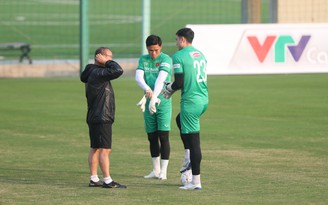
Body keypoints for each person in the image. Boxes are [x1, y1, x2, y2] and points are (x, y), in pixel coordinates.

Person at [161, 28, 208, 190]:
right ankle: (188, 153)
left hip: (190, 102)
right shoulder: (200, 54)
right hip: (203, 100)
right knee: (179, 120)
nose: (176, 43)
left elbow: (179, 82)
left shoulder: (179, 56)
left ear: (182, 39)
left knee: (195, 142)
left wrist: (169, 88)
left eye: (176, 40)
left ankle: (195, 182)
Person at [80, 47, 127, 188]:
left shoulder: (91, 71)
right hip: (102, 116)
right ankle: (107, 180)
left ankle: (94, 179)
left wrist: (105, 61)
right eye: (108, 56)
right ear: (99, 56)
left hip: (94, 115)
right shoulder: (98, 72)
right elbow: (118, 70)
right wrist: (106, 62)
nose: (110, 59)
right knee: (104, 149)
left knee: (94, 147)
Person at [135, 35, 173, 180]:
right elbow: (139, 77)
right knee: (152, 136)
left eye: (156, 50)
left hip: (163, 101)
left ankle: (164, 171)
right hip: (149, 99)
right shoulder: (143, 59)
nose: (153, 53)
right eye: (151, 50)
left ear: (161, 47)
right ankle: (155, 170)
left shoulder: (166, 59)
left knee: (163, 136)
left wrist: (155, 97)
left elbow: (161, 79)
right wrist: (147, 89)